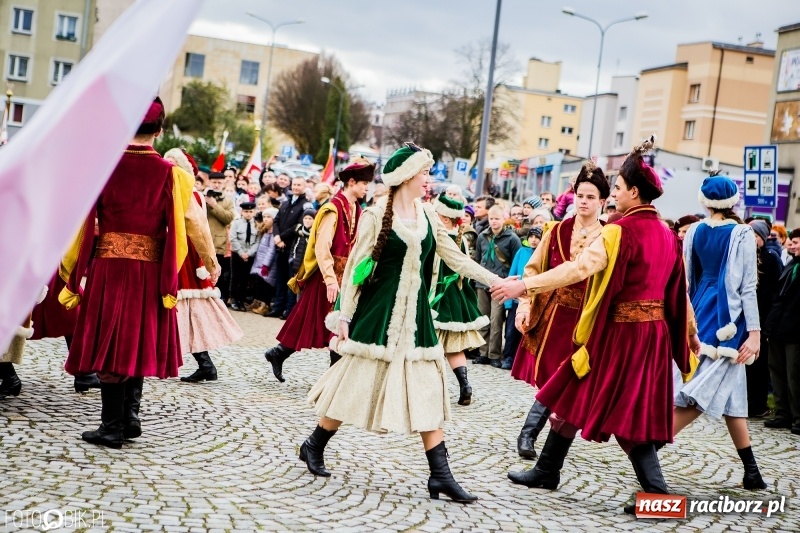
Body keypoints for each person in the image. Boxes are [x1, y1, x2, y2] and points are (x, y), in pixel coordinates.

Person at [491, 136, 699, 514]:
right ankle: (547, 469)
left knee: (624, 414)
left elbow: (577, 269)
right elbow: (678, 293)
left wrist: (523, 284)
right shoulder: (669, 236)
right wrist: (689, 334)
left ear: (634, 192)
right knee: (572, 394)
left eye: (617, 188)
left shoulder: (618, 232)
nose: (613, 194)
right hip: (650, 337)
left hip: (620, 336)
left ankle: (661, 499)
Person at [301, 143, 504, 503]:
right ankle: (314, 443)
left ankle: (440, 475)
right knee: (356, 383)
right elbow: (354, 270)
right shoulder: (376, 215)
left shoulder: (427, 215)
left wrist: (495, 281)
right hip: (378, 315)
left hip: (417, 319)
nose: (429, 179)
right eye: (425, 172)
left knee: (426, 386)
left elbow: (456, 259)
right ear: (408, 176)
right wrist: (344, 315)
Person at [60, 97, 220, 449]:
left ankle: (112, 426)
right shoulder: (173, 174)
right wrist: (211, 261)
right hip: (150, 272)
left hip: (109, 269)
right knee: (134, 338)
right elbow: (195, 221)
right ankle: (130, 417)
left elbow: (78, 219)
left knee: (110, 340)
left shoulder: (103, 167)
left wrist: (69, 265)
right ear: (160, 131)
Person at [672, 173, 768, 490]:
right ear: (733, 201)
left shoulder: (695, 231)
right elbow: (747, 288)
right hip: (728, 320)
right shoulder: (741, 233)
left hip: (701, 310)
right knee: (703, 390)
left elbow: (688, 279)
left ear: (705, 200)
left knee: (732, 398)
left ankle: (752, 472)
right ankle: (652, 445)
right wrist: (754, 333)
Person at [510, 163, 609, 459]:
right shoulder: (555, 230)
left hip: (584, 320)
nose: (584, 201)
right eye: (580, 194)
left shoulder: (608, 237)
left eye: (591, 197)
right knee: (553, 380)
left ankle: (532, 434)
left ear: (602, 201)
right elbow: (533, 269)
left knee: (565, 381)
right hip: (552, 316)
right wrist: (523, 307)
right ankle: (531, 435)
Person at [264, 159, 374, 381]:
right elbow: (322, 247)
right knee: (321, 321)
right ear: (351, 182)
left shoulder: (358, 209)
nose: (367, 188)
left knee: (334, 323)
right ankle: (331, 379)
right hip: (327, 277)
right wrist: (330, 279)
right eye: (364, 183)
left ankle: (280, 354)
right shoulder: (332, 209)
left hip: (345, 276)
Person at [164, 148, 243, 384]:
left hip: (186, 257)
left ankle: (203, 363)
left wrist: (208, 262)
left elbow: (201, 231)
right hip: (172, 253)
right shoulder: (167, 190)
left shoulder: (192, 194)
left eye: (173, 164)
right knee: (173, 309)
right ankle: (199, 363)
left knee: (187, 310)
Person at [429, 195, 489, 405]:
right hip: (458, 298)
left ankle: (433, 392)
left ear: (445, 219)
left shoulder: (438, 237)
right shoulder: (461, 238)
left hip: (436, 297)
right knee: (454, 348)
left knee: (430, 344)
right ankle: (465, 385)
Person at [473, 205, 521, 367]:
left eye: (497, 219)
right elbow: (478, 259)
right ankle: (482, 352)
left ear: (503, 219)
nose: (494, 222)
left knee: (496, 319)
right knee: (482, 318)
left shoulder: (512, 238)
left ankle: (494, 354)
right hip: (482, 282)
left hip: (500, 284)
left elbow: (516, 261)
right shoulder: (482, 236)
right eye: (492, 219)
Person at [763, 227, 800, 435]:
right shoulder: (791, 264)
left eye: (796, 242)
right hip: (778, 328)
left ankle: (798, 417)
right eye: (791, 242)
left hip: (795, 331)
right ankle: (782, 414)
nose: (791, 245)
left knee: (794, 375)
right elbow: (778, 298)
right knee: (777, 371)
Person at [269, 177, 311, 319]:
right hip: (279, 247)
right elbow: (276, 221)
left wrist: (282, 237)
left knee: (290, 280)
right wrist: (276, 236)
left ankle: (288, 310)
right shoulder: (285, 203)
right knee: (279, 279)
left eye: (299, 184)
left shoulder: (305, 205)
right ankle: (277, 307)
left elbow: (298, 226)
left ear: (305, 186)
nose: (296, 187)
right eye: (294, 184)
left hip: (292, 248)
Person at [503, 226, 542, 371]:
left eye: (537, 237)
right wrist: (508, 299)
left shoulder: (543, 252)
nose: (533, 240)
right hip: (517, 298)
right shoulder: (521, 251)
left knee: (528, 331)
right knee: (511, 330)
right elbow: (512, 273)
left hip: (534, 297)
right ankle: (508, 357)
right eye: (531, 236)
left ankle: (523, 362)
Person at [205, 172, 235, 304]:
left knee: (218, 273)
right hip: (203, 241)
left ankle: (217, 300)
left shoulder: (228, 201)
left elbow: (229, 218)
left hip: (219, 242)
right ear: (209, 182)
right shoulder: (201, 196)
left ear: (224, 184)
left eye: (219, 183)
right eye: (214, 182)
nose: (216, 185)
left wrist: (214, 205)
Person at [229, 202, 259, 311]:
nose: (248, 214)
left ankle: (241, 300)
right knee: (235, 277)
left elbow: (257, 241)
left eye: (251, 212)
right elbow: (233, 238)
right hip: (237, 254)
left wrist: (249, 253)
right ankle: (234, 300)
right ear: (242, 212)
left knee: (245, 278)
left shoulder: (256, 224)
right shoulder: (236, 223)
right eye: (246, 211)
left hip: (249, 255)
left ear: (254, 212)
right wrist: (241, 253)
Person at [250, 208, 279, 316]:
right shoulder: (264, 230)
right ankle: (257, 303)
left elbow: (271, 250)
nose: (266, 219)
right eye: (264, 217)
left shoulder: (274, 232)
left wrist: (266, 265)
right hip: (260, 261)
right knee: (259, 282)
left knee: (267, 285)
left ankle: (265, 306)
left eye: (268, 217)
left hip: (268, 264)